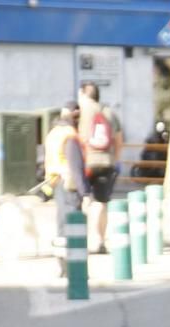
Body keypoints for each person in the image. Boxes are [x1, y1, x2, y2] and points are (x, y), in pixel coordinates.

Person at [77, 81, 123, 254]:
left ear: (83, 94)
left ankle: (83, 238)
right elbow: (119, 140)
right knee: (101, 203)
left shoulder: (80, 112)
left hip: (85, 163)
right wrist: (115, 160)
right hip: (106, 162)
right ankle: (100, 240)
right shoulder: (109, 113)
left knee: (83, 200)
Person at [44, 101, 90, 276]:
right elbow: (75, 165)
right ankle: (74, 269)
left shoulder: (54, 133)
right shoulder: (70, 135)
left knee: (62, 226)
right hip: (69, 183)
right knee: (73, 224)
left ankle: (63, 267)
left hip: (56, 182)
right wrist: (85, 192)